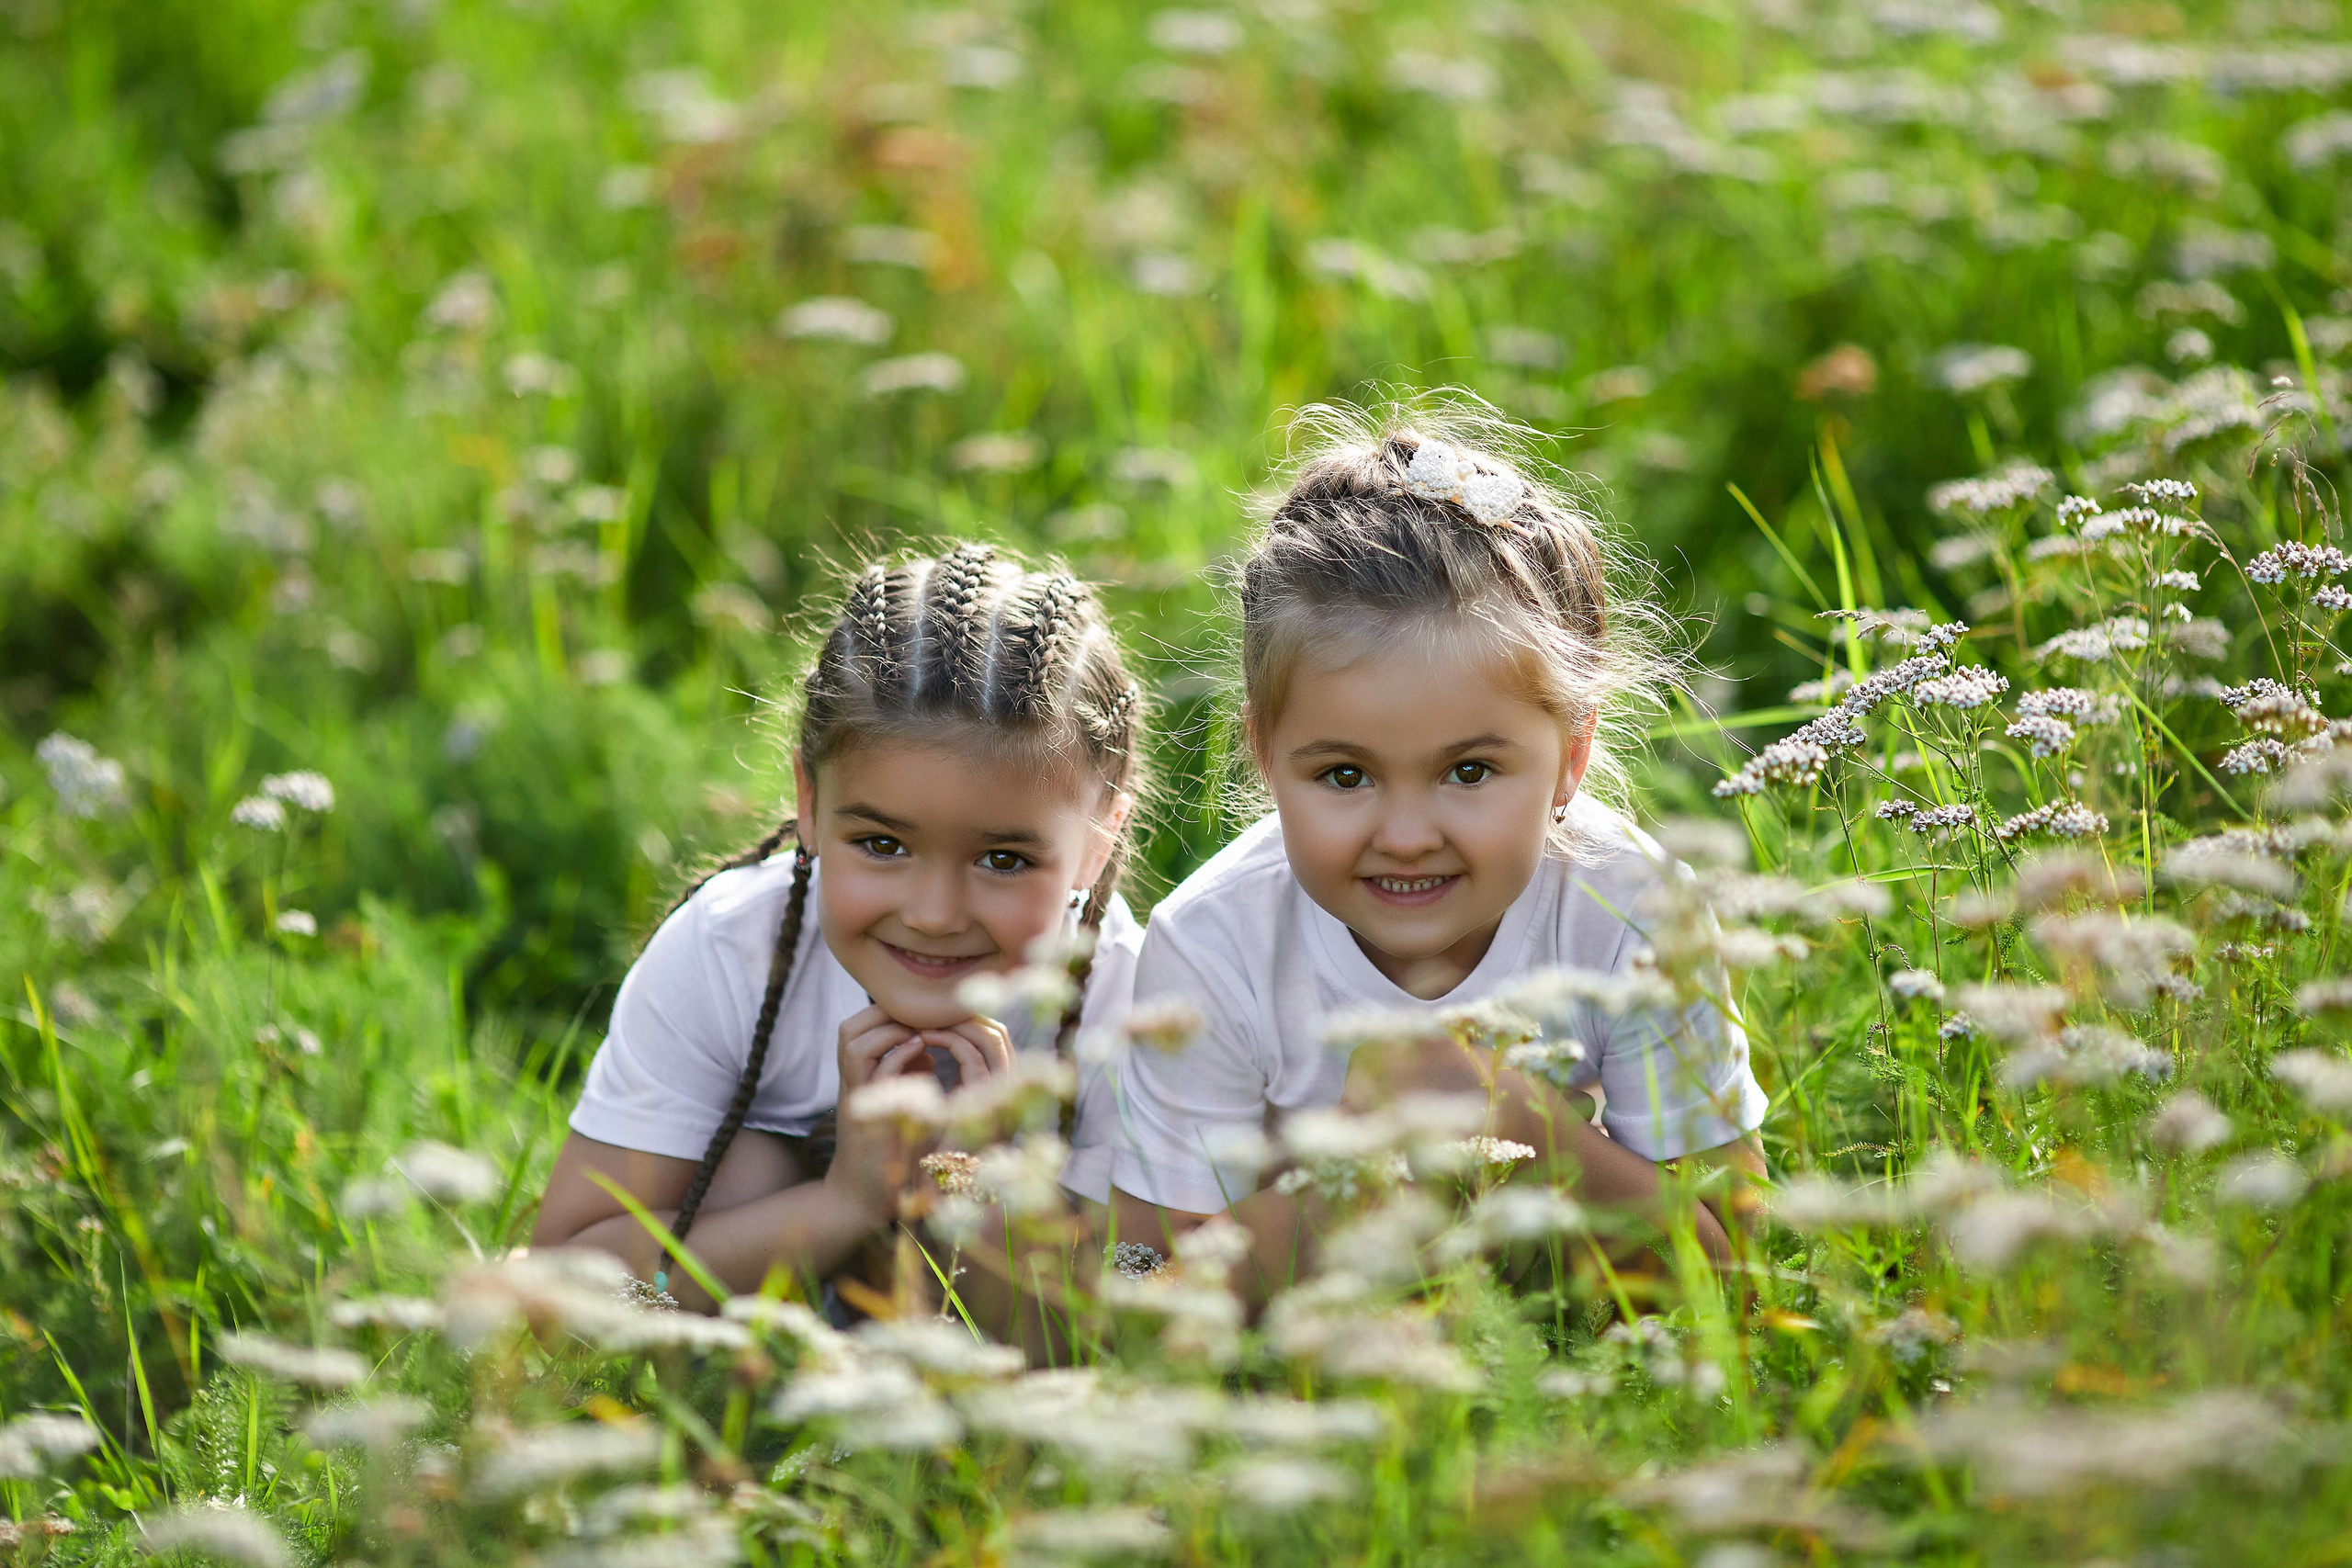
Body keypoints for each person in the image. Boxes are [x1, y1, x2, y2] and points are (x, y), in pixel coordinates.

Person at [1098, 403, 1767, 1299]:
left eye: (1468, 772)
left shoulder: (1632, 910)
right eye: (1344, 776)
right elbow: (1132, 1274)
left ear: (1569, 756)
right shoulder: (1213, 943)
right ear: (1264, 754)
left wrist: (1526, 1132)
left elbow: (1743, 1263)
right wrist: (1352, 1182)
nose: (1406, 835)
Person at [532, 543, 1147, 1312]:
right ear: (810, 804)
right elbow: (546, 1298)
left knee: (1095, 1247)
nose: (933, 913)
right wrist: (844, 1200)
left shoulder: (1135, 1007)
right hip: (750, 1364)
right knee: (749, 1168)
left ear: (1099, 841)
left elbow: (1143, 1322)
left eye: (1002, 858)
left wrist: (980, 1189)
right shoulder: (729, 951)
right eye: (883, 845)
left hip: (995, 1389)